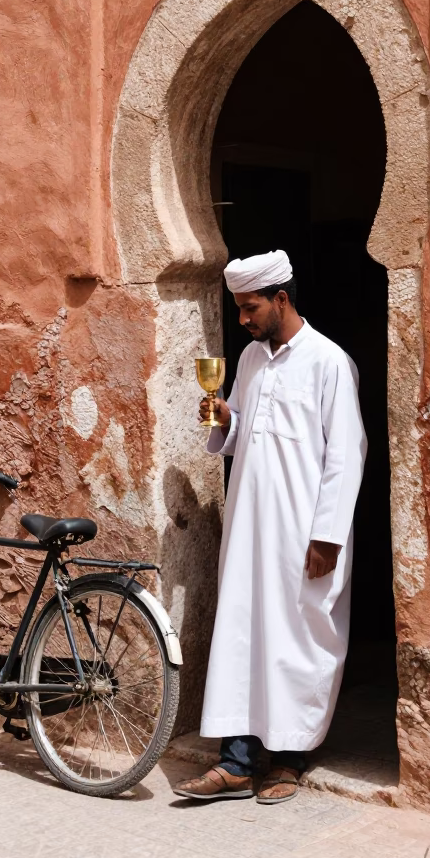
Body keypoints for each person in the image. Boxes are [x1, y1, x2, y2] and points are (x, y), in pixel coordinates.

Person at [175, 249, 367, 805]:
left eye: (250, 308)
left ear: (281, 299)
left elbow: (347, 455)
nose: (242, 319)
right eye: (238, 308)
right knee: (243, 634)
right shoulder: (252, 359)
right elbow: (242, 432)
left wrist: (327, 537)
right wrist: (224, 419)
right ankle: (236, 763)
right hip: (249, 526)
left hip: (303, 532)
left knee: (296, 640)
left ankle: (287, 758)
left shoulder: (330, 362)